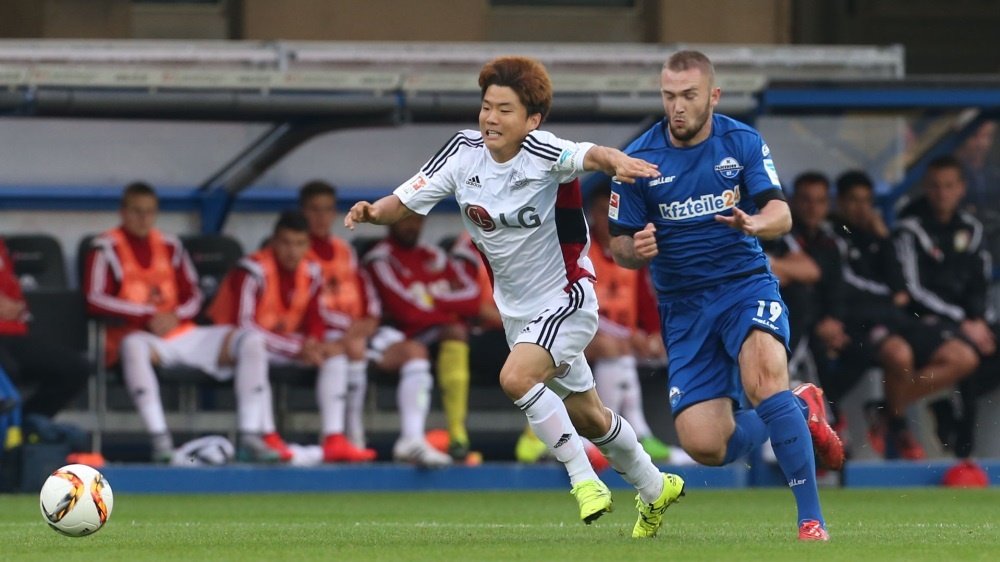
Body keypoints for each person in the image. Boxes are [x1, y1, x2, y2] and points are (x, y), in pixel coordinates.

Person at [346, 55, 683, 538]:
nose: (491, 118)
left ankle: (584, 480)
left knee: (515, 378)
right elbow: (405, 198)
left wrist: (618, 161)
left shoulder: (544, 153)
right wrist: (372, 212)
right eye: (486, 107)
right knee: (589, 415)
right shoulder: (462, 154)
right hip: (517, 313)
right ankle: (655, 487)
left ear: (533, 120)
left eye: (505, 110)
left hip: (567, 297)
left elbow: (591, 155)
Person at [607, 50, 843, 541]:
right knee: (706, 445)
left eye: (689, 96)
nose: (678, 107)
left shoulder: (742, 141)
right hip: (684, 308)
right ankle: (800, 404)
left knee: (762, 377)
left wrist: (756, 222)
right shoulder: (638, 159)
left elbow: (782, 211)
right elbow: (618, 244)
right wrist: (636, 248)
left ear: (712, 96)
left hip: (743, 286)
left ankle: (811, 520)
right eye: (669, 96)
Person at [83, 182, 282, 462]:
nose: (143, 218)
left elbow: (195, 295)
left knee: (251, 340)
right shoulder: (105, 247)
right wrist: (146, 315)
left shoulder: (170, 244)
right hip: (140, 337)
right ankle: (160, 441)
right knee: (133, 347)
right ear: (123, 212)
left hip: (183, 332)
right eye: (136, 211)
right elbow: (95, 298)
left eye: (149, 212)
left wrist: (174, 316)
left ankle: (250, 435)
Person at [208, 211, 384, 464]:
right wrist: (299, 347)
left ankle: (334, 438)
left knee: (334, 352)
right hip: (236, 348)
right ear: (274, 242)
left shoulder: (310, 271)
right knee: (254, 346)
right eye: (286, 243)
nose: (292, 251)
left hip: (286, 346)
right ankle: (266, 434)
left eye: (299, 244)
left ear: (307, 245)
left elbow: (315, 315)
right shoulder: (252, 270)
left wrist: (313, 341)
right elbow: (243, 324)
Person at [833, 170, 978, 459]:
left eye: (866, 201)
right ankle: (898, 425)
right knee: (900, 355)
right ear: (839, 203)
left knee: (964, 357)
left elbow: (901, 286)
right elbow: (853, 286)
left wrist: (883, 237)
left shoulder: (879, 238)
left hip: (896, 320)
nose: (860, 208)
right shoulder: (834, 236)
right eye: (853, 201)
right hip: (860, 323)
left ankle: (887, 410)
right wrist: (889, 296)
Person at [893, 156, 1000, 459]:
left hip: (967, 323)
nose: (942, 193)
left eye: (949, 186)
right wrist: (964, 322)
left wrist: (978, 319)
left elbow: (980, 280)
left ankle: (948, 414)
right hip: (922, 320)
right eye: (936, 186)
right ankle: (894, 411)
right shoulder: (910, 228)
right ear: (926, 188)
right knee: (964, 356)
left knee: (981, 352)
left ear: (961, 188)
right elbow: (913, 289)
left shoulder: (971, 228)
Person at [585, 185, 692, 464]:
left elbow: (646, 300)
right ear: (590, 215)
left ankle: (640, 431)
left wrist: (654, 334)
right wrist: (631, 335)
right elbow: (580, 306)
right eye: (600, 212)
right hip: (583, 334)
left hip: (623, 338)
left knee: (681, 346)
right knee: (614, 346)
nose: (607, 220)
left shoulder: (628, 253)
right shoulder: (582, 251)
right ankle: (605, 432)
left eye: (612, 213)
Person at [364, 213, 481, 461]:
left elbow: (473, 298)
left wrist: (431, 299)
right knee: (422, 347)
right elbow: (405, 311)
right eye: (405, 219)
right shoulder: (381, 259)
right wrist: (446, 308)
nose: (412, 225)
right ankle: (411, 440)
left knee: (457, 332)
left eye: (417, 219)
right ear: (390, 220)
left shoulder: (434, 256)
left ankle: (457, 431)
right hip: (389, 335)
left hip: (429, 331)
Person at [298, 181, 381, 462]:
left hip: (357, 330)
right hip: (318, 333)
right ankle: (351, 435)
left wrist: (369, 319)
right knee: (351, 348)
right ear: (303, 212)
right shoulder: (297, 249)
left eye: (327, 210)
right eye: (314, 210)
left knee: (413, 354)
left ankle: (357, 437)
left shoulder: (345, 249)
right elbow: (305, 303)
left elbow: (367, 293)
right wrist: (350, 328)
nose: (321, 217)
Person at [0, 237, 89, 425]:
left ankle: (24, 427)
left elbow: (14, 293)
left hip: (13, 334)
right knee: (8, 370)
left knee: (75, 368)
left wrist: (18, 307)